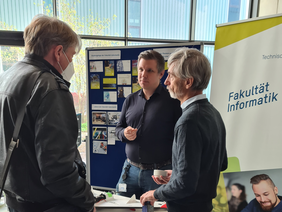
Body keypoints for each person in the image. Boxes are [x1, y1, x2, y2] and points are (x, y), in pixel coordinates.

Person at [0, 15, 95, 212]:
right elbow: (57, 170)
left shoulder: (8, 76)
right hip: (47, 204)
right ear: (58, 52)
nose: (72, 63)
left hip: (15, 199)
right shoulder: (49, 87)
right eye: (72, 55)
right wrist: (86, 200)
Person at [140, 47, 228, 212]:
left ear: (188, 82)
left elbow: (184, 186)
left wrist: (154, 194)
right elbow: (220, 163)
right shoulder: (214, 113)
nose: (166, 81)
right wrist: (179, 173)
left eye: (171, 76)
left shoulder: (188, 121)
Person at [115, 50, 182, 199]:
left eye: (149, 70)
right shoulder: (130, 99)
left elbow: (181, 139)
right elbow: (118, 128)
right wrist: (124, 133)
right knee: (119, 207)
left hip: (159, 174)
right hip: (129, 170)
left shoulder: (173, 102)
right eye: (140, 69)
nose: (143, 74)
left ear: (160, 74)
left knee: (154, 210)